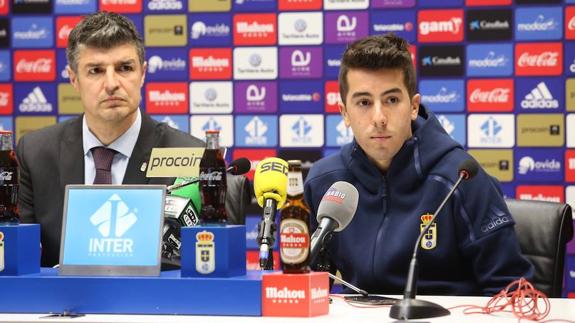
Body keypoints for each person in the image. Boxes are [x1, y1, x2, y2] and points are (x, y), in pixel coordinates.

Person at [303, 34, 533, 296]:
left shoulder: (461, 178)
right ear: (345, 113)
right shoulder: (325, 181)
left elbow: (515, 293)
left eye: (391, 100)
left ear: (413, 106)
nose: (379, 118)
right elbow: (306, 284)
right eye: (364, 102)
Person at [16, 12, 247, 268]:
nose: (112, 83)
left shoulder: (192, 158)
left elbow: (209, 262)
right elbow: (18, 258)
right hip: (63, 303)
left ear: (143, 73)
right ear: (74, 79)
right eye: (96, 71)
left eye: (125, 68)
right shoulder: (35, 153)